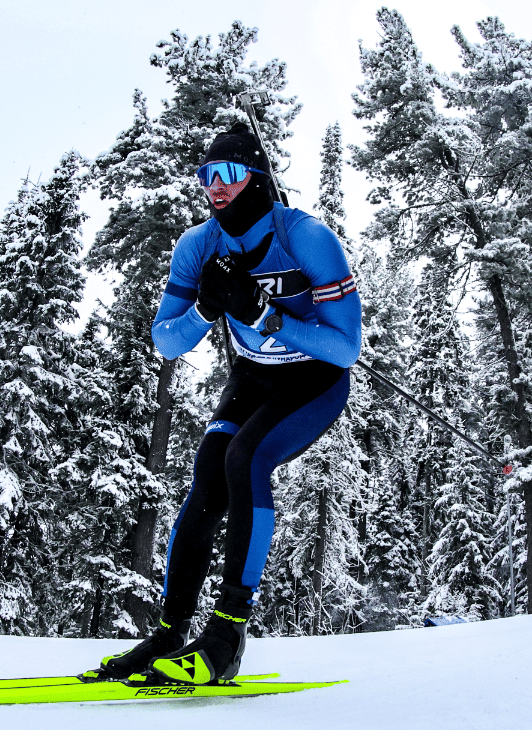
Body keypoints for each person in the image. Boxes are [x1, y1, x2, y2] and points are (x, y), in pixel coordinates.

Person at [99, 122, 362, 685]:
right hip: (253, 376)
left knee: (246, 458)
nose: (215, 187)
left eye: (229, 173)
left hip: (314, 378)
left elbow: (346, 349)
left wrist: (265, 314)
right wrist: (205, 309)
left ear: (258, 178)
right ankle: (169, 634)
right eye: (206, 175)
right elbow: (166, 340)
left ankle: (226, 639)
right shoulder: (198, 245)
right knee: (209, 475)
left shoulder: (306, 238)